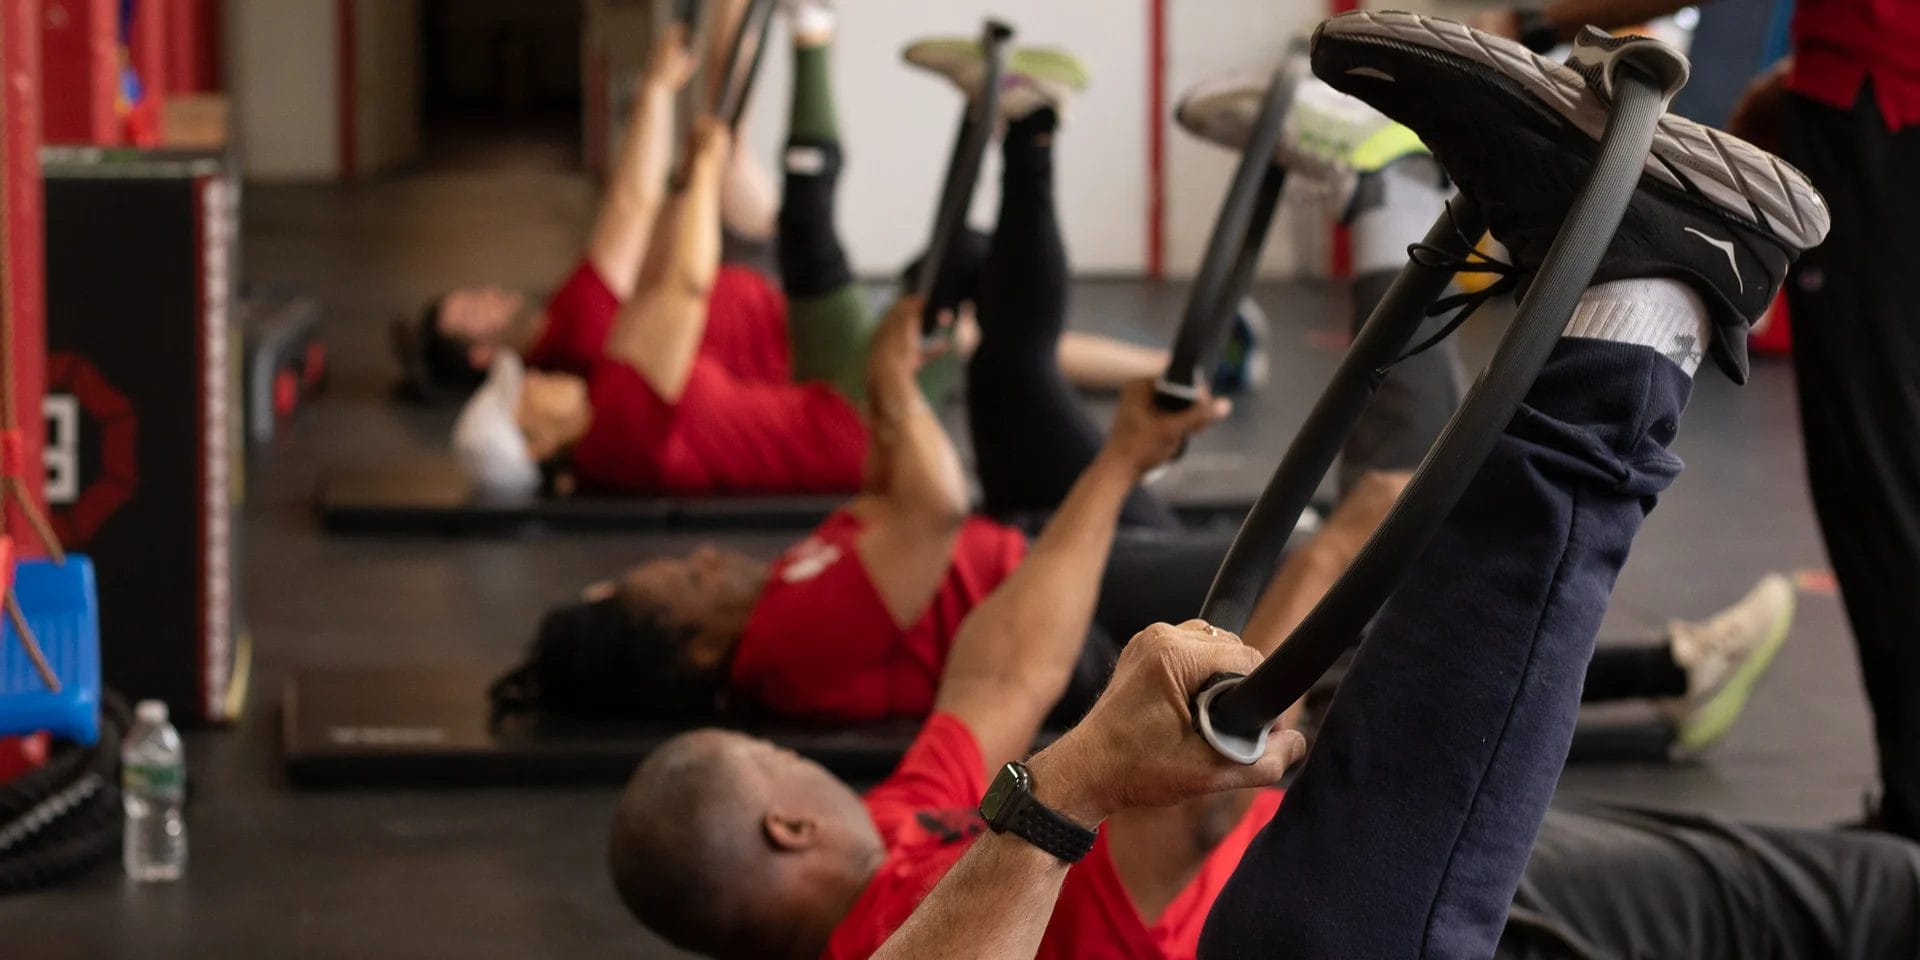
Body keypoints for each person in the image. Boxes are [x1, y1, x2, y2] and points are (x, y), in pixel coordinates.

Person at [855, 17, 1917, 960]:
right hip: (1336, 841)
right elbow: (1182, 802)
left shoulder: (896, 836)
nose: (785, 759)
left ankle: (1536, 263)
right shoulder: (867, 897)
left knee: (1873, 891)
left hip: (1343, 812)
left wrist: (1119, 464)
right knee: (1376, 532)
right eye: (781, 769)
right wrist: (1076, 782)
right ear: (785, 831)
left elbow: (997, 677)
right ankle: (1600, 277)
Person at [1473, 0, 1920, 846]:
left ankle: (1913, 826)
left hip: (1880, 110)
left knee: (1880, 477)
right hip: (1867, 92)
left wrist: (1532, 21)